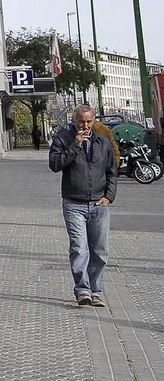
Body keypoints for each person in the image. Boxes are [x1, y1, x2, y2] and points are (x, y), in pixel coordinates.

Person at [48, 105, 118, 307]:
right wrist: (75, 145)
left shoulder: (102, 142)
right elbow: (55, 164)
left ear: (94, 121)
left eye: (89, 121)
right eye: (81, 121)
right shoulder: (63, 138)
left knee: (99, 250)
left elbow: (112, 172)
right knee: (79, 249)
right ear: (74, 120)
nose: (85, 126)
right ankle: (82, 290)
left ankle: (96, 291)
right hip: (73, 203)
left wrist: (108, 197)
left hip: (99, 204)